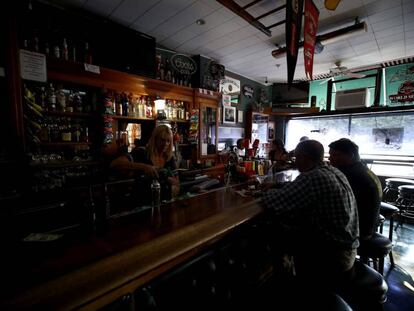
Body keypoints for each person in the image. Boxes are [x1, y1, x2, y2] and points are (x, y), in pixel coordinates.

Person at [261, 140, 359, 286]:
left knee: (273, 230)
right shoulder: (333, 171)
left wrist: (258, 192)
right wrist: (278, 184)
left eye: (296, 159)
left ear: (303, 157)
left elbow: (272, 201)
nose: (295, 162)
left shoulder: (312, 177)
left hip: (331, 257)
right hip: (347, 250)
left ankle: (282, 283)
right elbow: (301, 188)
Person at [329, 138, 382, 240]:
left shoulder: (349, 175)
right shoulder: (361, 168)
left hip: (359, 230)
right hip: (371, 223)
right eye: (330, 155)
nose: (330, 159)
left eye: (335, 155)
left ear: (350, 156)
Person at [110, 125, 179, 199]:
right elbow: (115, 163)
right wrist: (145, 167)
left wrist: (166, 178)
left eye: (168, 141)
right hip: (142, 202)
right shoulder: (142, 152)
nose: (165, 144)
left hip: (163, 202)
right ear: (155, 139)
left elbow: (177, 182)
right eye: (162, 140)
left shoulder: (169, 158)